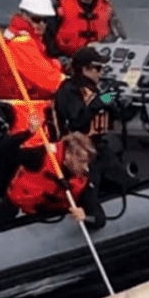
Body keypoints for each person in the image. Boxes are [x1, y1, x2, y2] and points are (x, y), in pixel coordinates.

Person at [53, 46, 131, 195]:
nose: (100, 73)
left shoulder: (92, 89)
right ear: (85, 69)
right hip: (80, 149)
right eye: (98, 68)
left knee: (121, 179)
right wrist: (102, 100)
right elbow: (77, 120)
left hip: (98, 146)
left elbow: (104, 106)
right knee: (89, 187)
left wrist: (115, 98)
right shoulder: (69, 91)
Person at [5, 131, 107, 229]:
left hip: (54, 218)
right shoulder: (39, 156)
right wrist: (28, 133)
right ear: (68, 156)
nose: (85, 167)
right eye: (81, 161)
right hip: (21, 212)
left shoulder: (84, 180)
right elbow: (9, 153)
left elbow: (99, 218)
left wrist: (85, 217)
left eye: (87, 162)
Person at [0, 0, 66, 103]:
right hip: (26, 111)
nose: (42, 25)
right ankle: (105, 99)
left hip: (35, 104)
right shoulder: (20, 43)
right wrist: (78, 83)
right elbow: (49, 81)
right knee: (91, 103)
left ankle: (104, 99)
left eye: (45, 20)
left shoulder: (31, 40)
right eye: (37, 20)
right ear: (24, 16)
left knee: (93, 101)